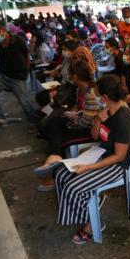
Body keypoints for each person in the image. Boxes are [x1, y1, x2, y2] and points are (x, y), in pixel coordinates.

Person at [54, 75, 130, 244]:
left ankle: (93, 223)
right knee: (60, 174)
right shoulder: (108, 111)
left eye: (99, 95)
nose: (97, 98)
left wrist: (88, 167)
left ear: (105, 97)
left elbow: (119, 156)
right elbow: (95, 135)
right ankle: (91, 204)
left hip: (118, 166)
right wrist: (98, 119)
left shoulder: (123, 119)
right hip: (101, 154)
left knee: (73, 187)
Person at [35, 59, 101, 191]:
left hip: (91, 129)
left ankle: (55, 166)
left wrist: (71, 120)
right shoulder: (79, 90)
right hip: (81, 122)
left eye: (70, 73)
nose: (69, 76)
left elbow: (86, 122)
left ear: (75, 76)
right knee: (55, 123)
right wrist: (71, 114)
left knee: (58, 131)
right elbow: (78, 108)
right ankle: (55, 160)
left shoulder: (91, 93)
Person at [0, 18, 36, 129]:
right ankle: (1, 118)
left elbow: (27, 56)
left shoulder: (18, 40)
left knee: (24, 102)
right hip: (3, 73)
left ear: (3, 30)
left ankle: (33, 122)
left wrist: (26, 72)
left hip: (18, 76)